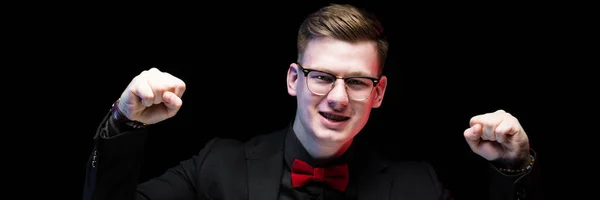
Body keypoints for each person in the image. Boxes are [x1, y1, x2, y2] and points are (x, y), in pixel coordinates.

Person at [83, 3, 540, 200]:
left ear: (378, 93)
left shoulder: (416, 186)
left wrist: (512, 167)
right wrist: (124, 122)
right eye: (322, 77)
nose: (338, 98)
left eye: (358, 82)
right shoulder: (215, 166)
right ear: (293, 80)